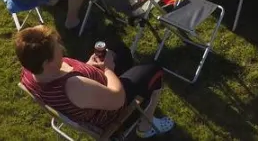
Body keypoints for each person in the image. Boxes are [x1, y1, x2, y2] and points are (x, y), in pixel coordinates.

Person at [16, 25, 174, 137]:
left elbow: (70, 75)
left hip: (93, 91)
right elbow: (118, 99)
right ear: (47, 63)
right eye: (58, 49)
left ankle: (131, 80)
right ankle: (145, 128)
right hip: (112, 108)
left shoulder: (30, 69)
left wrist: (87, 66)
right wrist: (107, 70)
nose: (62, 49)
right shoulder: (73, 87)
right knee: (155, 70)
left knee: (122, 52)